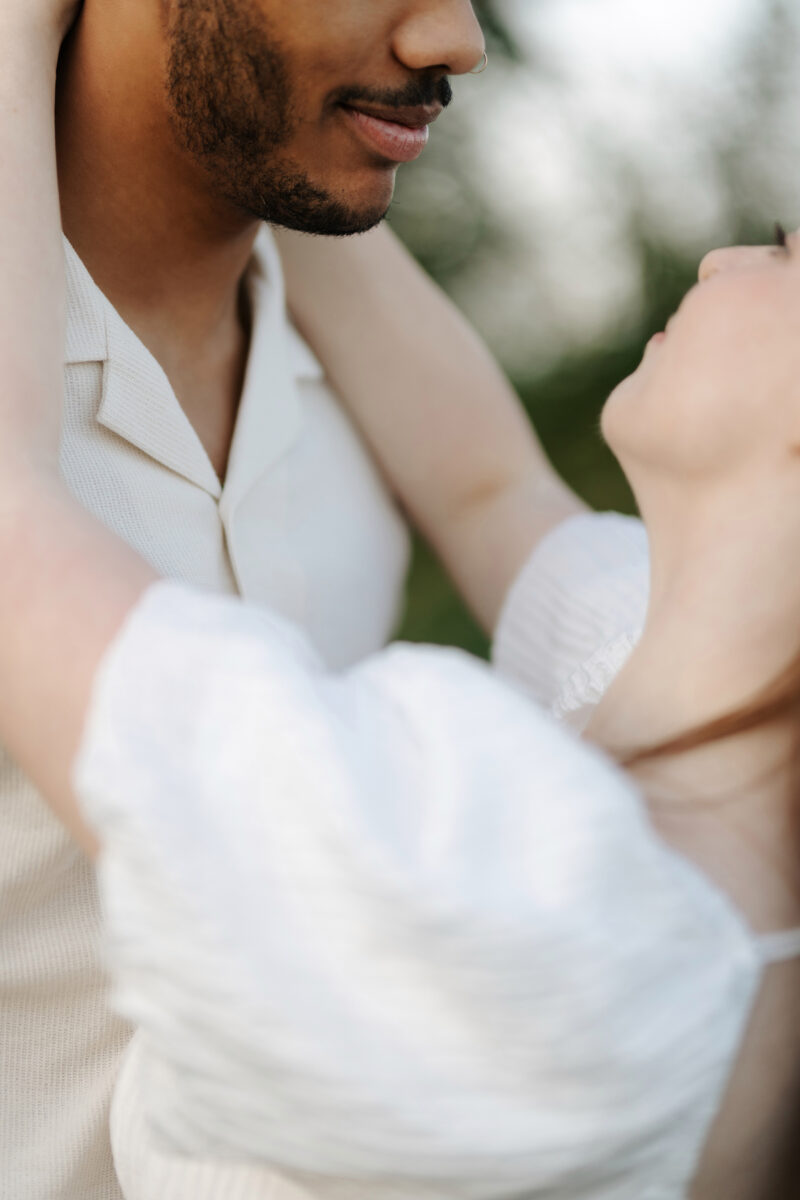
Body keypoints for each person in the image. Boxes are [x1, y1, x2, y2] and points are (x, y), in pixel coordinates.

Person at [4, 5, 800, 1200]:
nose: (461, 39)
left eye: (787, 254)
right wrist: (300, 116)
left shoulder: (512, 915)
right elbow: (495, 494)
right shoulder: (691, 706)